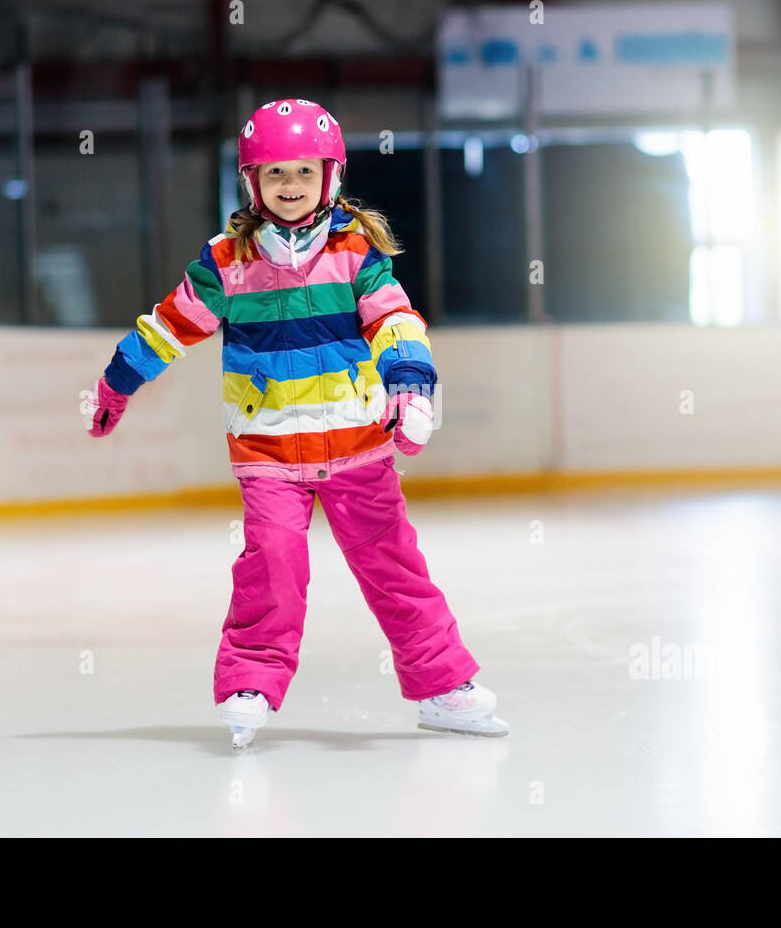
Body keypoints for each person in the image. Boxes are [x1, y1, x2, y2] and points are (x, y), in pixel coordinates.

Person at [86, 97, 507, 748]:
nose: (290, 187)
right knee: (274, 563)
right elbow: (169, 327)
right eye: (276, 174)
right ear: (252, 183)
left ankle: (441, 686)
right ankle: (249, 680)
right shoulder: (228, 261)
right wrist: (118, 382)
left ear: (330, 178)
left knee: (395, 568)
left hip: (358, 445)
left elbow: (395, 321)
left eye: (304, 173)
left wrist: (411, 383)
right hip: (269, 451)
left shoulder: (354, 252)